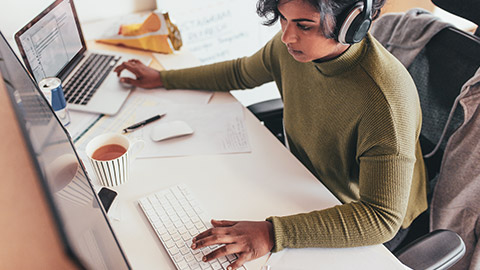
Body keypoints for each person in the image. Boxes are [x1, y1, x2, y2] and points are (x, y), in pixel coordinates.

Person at [114, 0, 428, 269]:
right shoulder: (291, 50)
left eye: (304, 25)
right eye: (283, 18)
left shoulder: (385, 102)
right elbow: (240, 72)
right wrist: (163, 78)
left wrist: (272, 233)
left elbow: (381, 217)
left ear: (353, 24)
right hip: (302, 180)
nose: (287, 36)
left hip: (354, 212)